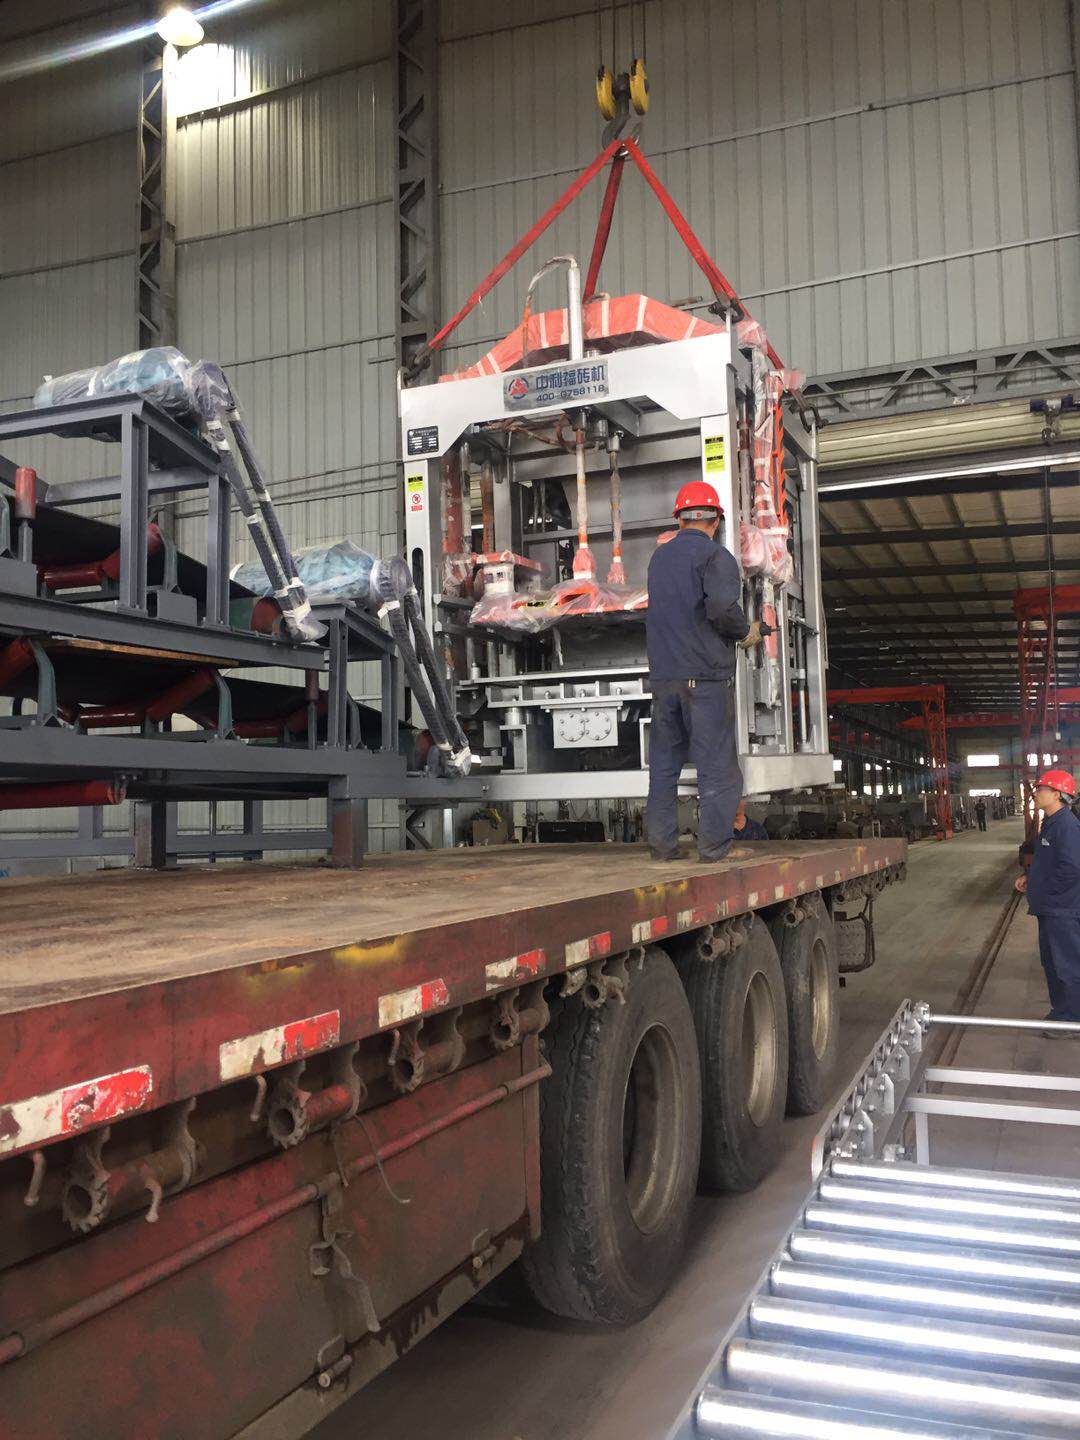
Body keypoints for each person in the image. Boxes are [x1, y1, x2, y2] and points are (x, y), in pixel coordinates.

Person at [645, 480, 763, 862]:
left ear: (679, 520)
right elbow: (722, 611)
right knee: (717, 768)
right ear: (716, 521)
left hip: (664, 679)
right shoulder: (717, 557)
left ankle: (663, 847)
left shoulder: (658, 559)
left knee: (664, 767)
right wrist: (746, 632)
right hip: (705, 680)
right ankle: (714, 848)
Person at [1014, 769, 1080, 1025]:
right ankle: (1062, 1012)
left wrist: (1049, 892)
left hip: (1061, 909)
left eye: (1041, 789)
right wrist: (1031, 877)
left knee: (1066, 964)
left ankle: (1071, 1018)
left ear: (1057, 794)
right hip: (1052, 907)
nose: (1036, 794)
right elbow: (1051, 862)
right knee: (1052, 962)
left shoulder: (1067, 825)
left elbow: (1072, 867)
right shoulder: (1051, 822)